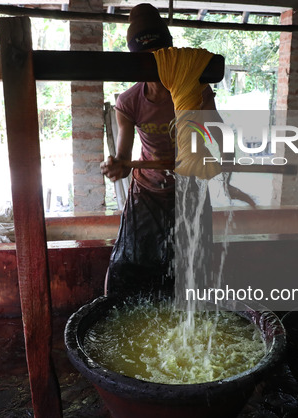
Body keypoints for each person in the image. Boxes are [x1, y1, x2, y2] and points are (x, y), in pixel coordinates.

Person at [100, 3, 220, 298]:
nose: (153, 63)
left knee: (194, 265)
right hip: (149, 192)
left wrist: (210, 150)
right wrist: (117, 165)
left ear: (170, 53)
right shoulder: (129, 103)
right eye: (144, 58)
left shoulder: (196, 92)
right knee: (130, 266)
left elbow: (217, 137)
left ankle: (188, 326)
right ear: (134, 60)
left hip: (189, 188)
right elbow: (125, 162)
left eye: (159, 55)